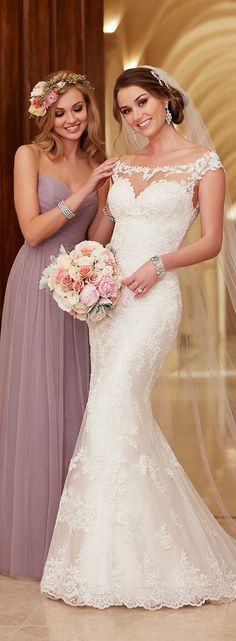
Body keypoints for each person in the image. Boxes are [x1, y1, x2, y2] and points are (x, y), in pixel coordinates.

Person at [40, 66, 236, 609]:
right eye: (125, 109)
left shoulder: (204, 164)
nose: (135, 115)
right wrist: (81, 270)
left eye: (142, 102)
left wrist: (158, 263)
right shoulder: (121, 165)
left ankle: (146, 559)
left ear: (166, 100)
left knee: (111, 409)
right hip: (110, 303)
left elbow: (213, 242)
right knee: (115, 418)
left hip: (153, 301)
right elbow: (103, 230)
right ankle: (107, 556)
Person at [0, 70, 117, 580]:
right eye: (61, 110)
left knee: (77, 400)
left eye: (79, 109)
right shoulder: (30, 156)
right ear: (46, 114)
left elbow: (95, 234)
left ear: (89, 111)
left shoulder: (95, 161)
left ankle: (76, 538)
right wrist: (87, 186)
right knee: (38, 402)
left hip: (79, 289)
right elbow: (30, 231)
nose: (71, 119)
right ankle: (35, 538)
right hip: (36, 285)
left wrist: (112, 200)